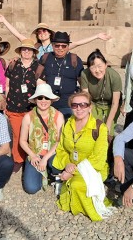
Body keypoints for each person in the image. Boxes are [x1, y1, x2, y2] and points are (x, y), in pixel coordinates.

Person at [52, 92, 113, 221]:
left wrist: (73, 171)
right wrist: (67, 164)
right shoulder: (67, 125)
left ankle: (90, 210)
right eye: (75, 105)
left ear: (90, 107)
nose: (79, 108)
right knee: (73, 183)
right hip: (71, 166)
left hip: (94, 168)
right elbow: (62, 148)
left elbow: (98, 158)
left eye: (83, 105)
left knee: (76, 185)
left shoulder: (99, 128)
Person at [0, 14, 111, 59]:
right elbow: (18, 35)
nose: (42, 33)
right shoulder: (35, 46)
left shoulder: (57, 46)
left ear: (49, 33)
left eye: (44, 31)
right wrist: (4, 21)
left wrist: (97, 36)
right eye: (39, 32)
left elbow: (78, 43)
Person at [5, 39, 46, 171]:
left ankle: (32, 158)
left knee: (31, 135)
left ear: (34, 52)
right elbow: (7, 85)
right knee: (17, 135)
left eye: (29, 49)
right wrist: (6, 100)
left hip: (31, 109)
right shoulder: (13, 64)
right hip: (14, 107)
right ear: (20, 51)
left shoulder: (38, 67)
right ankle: (18, 159)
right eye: (24, 49)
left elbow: (41, 87)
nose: (27, 51)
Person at [19, 84, 64, 194]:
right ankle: (43, 173)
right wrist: (33, 155)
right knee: (32, 188)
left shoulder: (58, 116)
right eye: (40, 97)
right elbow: (22, 141)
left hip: (53, 152)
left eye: (47, 97)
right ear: (35, 100)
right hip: (35, 153)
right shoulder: (28, 117)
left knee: (55, 162)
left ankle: (55, 174)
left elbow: (59, 141)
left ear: (51, 100)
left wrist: (45, 158)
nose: (43, 100)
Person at [81, 49, 122, 151]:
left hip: (111, 103)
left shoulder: (114, 76)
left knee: (108, 131)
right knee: (94, 128)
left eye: (100, 66)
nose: (97, 70)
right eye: (93, 67)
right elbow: (86, 99)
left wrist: (108, 124)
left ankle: (109, 156)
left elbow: (115, 103)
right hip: (94, 103)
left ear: (106, 64)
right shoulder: (84, 74)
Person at [39, 31, 84, 120]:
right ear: (52, 45)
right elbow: (38, 77)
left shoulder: (75, 60)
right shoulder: (45, 58)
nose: (60, 48)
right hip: (48, 104)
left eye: (63, 46)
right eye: (57, 45)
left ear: (68, 47)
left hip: (68, 104)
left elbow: (82, 83)